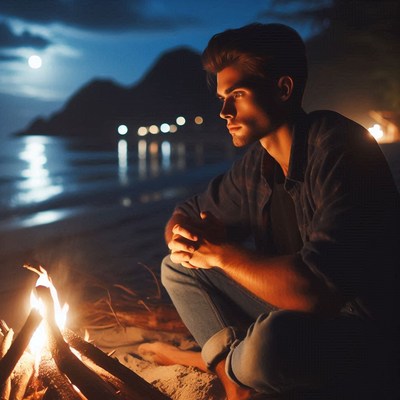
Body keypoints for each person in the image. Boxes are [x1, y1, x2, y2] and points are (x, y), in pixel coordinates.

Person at [139, 23, 400, 399]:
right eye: (222, 98)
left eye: (238, 94)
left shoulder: (338, 147)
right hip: (297, 315)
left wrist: (224, 255)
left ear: (283, 88)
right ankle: (234, 377)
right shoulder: (256, 166)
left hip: (363, 330)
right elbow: (185, 213)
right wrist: (188, 236)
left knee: (271, 342)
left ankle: (213, 361)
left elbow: (315, 290)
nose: (225, 111)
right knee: (177, 265)